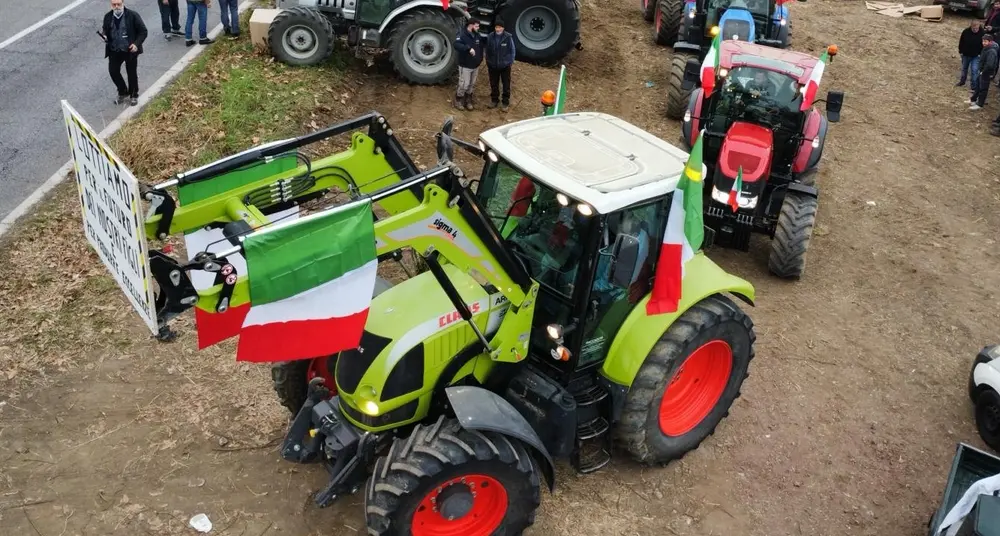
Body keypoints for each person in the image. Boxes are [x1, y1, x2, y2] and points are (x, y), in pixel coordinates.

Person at [100, 0, 147, 106]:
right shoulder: (107, 16)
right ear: (111, 5)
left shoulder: (132, 15)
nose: (116, 7)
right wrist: (104, 36)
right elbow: (105, 29)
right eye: (114, 5)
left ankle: (134, 95)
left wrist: (136, 44)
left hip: (130, 50)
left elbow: (143, 31)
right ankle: (122, 91)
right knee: (113, 71)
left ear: (123, 3)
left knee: (131, 73)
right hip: (114, 50)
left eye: (118, 4)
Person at [485, 17, 516, 111]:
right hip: (492, 65)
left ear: (503, 28)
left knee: (506, 85)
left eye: (499, 27)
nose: (498, 29)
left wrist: (510, 62)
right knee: (493, 84)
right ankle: (494, 100)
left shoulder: (508, 37)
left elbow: (512, 50)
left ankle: (505, 102)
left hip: (505, 66)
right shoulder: (490, 36)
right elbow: (487, 50)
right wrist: (488, 61)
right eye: (496, 27)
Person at [454, 18, 483, 111]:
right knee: (464, 84)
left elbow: (481, 48)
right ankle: (458, 100)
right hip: (465, 65)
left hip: (475, 65)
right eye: (476, 26)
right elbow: (456, 44)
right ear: (470, 25)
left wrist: (480, 59)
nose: (478, 28)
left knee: (471, 84)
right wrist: (468, 48)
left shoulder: (477, 35)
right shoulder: (462, 34)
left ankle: (468, 100)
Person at [971, 33, 998, 110]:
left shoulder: (992, 51)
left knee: (983, 88)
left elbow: (990, 64)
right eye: (983, 41)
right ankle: (973, 100)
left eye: (985, 41)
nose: (983, 43)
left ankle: (980, 104)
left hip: (986, 73)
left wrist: (983, 71)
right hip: (982, 71)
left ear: (990, 42)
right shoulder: (986, 48)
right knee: (978, 86)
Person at [958, 19, 984, 87]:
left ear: (979, 26)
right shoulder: (966, 31)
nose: (975, 29)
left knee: (974, 70)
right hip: (966, 55)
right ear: (971, 26)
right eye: (973, 28)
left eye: (976, 28)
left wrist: (980, 54)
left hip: (976, 56)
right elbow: (961, 42)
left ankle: (974, 85)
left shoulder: (982, 33)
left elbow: (984, 45)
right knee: (964, 69)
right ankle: (962, 81)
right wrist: (960, 51)